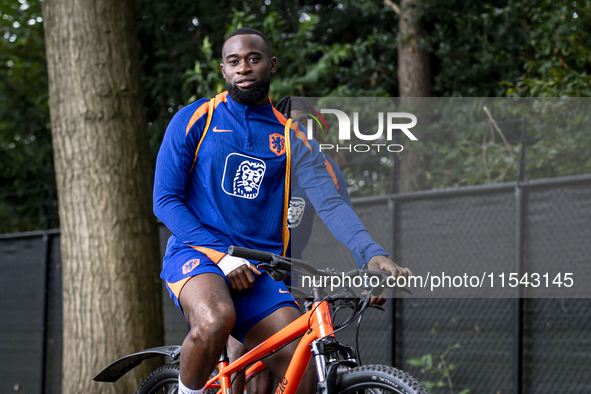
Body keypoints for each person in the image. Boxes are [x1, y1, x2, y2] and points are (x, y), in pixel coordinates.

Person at [153, 28, 412, 394]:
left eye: (253, 59)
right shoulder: (194, 118)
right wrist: (223, 257)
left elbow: (331, 202)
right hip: (199, 255)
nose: (244, 68)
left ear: (270, 65)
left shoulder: (292, 137)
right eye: (234, 62)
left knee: (302, 368)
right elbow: (164, 200)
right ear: (224, 71)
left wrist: (372, 253)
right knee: (216, 320)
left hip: (260, 269)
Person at [225, 96, 361, 394]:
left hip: (288, 270)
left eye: (308, 125)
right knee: (242, 347)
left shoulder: (326, 172)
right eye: (295, 123)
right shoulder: (260, 162)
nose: (301, 130)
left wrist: (367, 266)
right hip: (244, 263)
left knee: (284, 358)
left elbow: (344, 218)